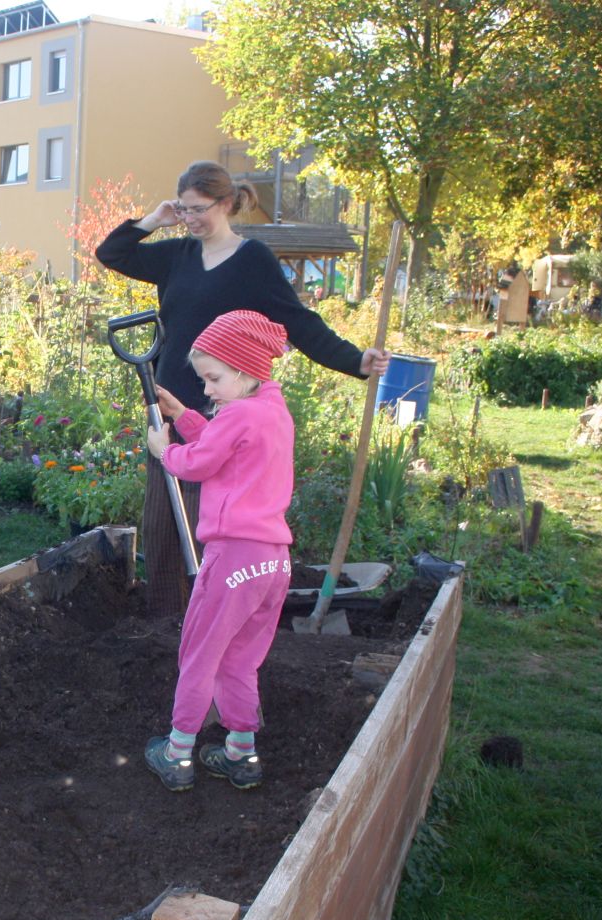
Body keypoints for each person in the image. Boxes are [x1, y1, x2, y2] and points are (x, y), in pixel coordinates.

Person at [95, 160, 387, 615]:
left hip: (225, 411)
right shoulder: (177, 256)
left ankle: (211, 614)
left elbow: (300, 322)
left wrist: (356, 361)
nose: (190, 219)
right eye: (184, 210)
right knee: (161, 522)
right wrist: (155, 219)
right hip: (168, 404)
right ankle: (168, 621)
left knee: (210, 523)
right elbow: (111, 254)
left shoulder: (252, 261)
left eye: (199, 209)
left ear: (227, 204)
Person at [140, 310, 295, 792]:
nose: (207, 390)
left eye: (214, 378)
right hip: (273, 562)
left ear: (246, 370)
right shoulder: (270, 410)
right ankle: (240, 754)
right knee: (241, 659)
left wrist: (163, 449)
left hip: (233, 560)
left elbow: (202, 461)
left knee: (200, 654)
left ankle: (178, 752)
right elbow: (224, 443)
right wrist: (182, 414)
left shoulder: (238, 413)